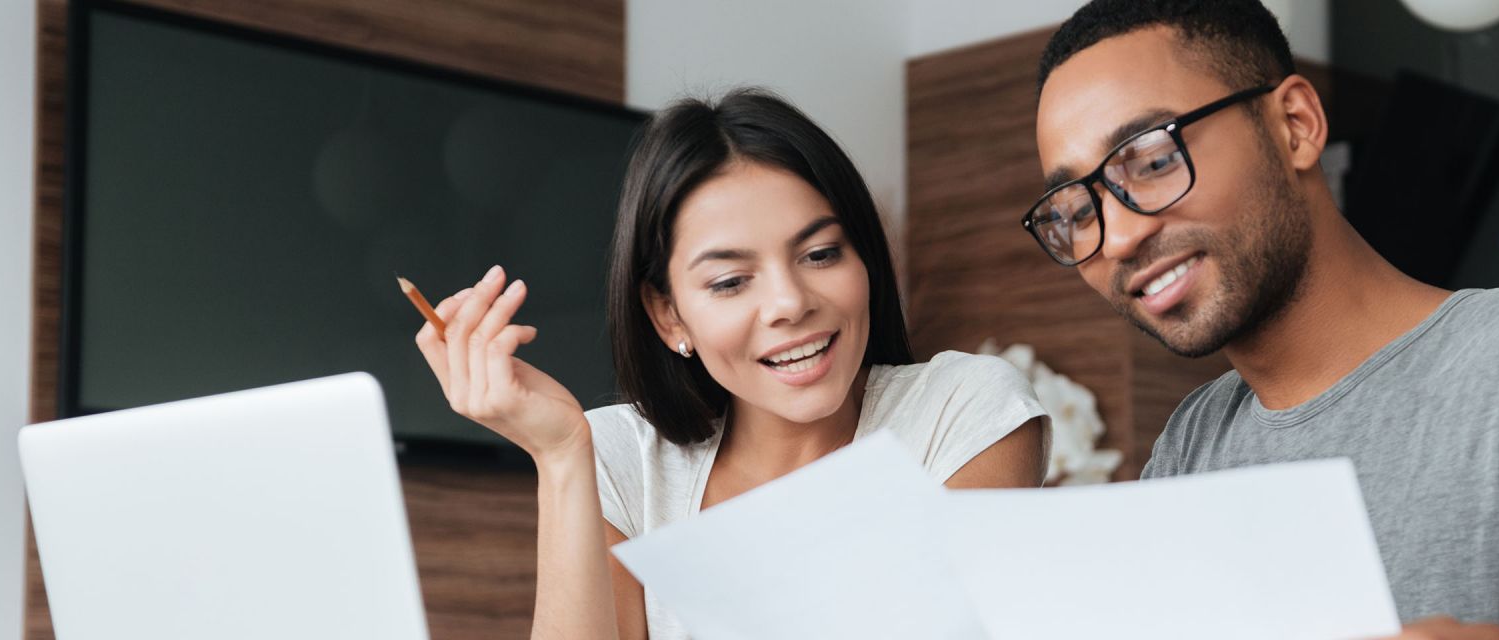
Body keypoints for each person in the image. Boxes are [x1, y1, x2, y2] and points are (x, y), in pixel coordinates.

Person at [1024, 1, 1499, 638]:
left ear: (1294, 125)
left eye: (1151, 160)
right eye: (1073, 210)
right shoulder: (1194, 443)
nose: (1117, 238)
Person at [414, 89, 1047, 640]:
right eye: (730, 281)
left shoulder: (964, 411)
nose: (790, 303)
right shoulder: (622, 460)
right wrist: (558, 456)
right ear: (669, 316)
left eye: (821, 253)